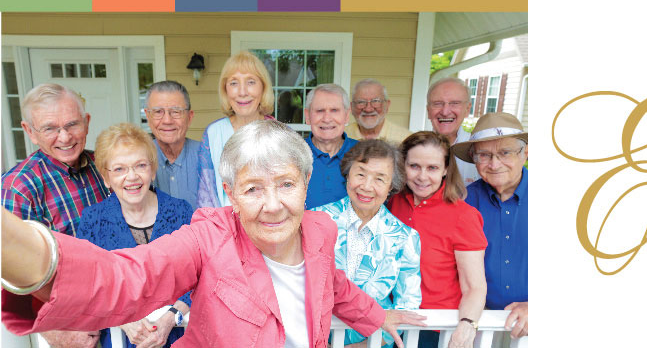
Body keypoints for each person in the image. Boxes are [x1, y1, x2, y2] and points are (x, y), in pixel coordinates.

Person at [1, 120, 426, 347]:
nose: (273, 204)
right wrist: (13, 245)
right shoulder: (208, 236)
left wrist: (376, 314)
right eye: (253, 189)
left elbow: (333, 283)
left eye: (286, 184)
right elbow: (124, 278)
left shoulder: (320, 229)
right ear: (230, 194)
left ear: (307, 181)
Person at [1, 83, 109, 347]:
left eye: (72, 124)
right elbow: (11, 273)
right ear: (30, 132)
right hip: (69, 322)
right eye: (50, 128)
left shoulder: (103, 165)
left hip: (118, 305)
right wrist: (54, 331)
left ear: (86, 122)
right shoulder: (19, 187)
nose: (65, 137)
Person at [75, 123, 193, 348]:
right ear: (106, 178)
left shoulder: (181, 212)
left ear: (153, 169)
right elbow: (86, 286)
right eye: (119, 169)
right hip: (124, 340)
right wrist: (122, 319)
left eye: (140, 165)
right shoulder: (93, 220)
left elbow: (201, 277)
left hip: (181, 335)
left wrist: (171, 318)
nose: (132, 177)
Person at [312, 139, 421, 347]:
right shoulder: (316, 220)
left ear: (392, 186)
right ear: (347, 175)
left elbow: (407, 307)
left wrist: (365, 346)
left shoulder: (406, 238)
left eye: (380, 179)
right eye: (360, 174)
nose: (367, 186)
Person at [388, 131, 487, 348]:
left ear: (445, 170)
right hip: (390, 324)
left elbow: (474, 286)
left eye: (432, 168)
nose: (422, 176)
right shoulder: (392, 203)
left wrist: (467, 325)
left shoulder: (464, 216)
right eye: (414, 166)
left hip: (433, 329)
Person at [453, 112, 529, 340]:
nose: (495, 164)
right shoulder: (463, 202)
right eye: (484, 155)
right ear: (474, 159)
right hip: (478, 324)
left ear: (525, 153)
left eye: (505, 153)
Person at [198, 51, 275, 208]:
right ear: (225, 90)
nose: (242, 92)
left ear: (263, 87)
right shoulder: (213, 133)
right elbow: (206, 194)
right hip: (223, 227)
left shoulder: (280, 134)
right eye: (234, 83)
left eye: (251, 82)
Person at [144, 80, 201, 210]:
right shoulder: (138, 160)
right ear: (148, 116)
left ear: (190, 117)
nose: (167, 120)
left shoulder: (207, 156)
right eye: (158, 112)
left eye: (176, 111)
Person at [304, 83, 359, 209]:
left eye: (334, 110)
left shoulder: (364, 154)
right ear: (307, 116)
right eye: (319, 111)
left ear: (346, 115)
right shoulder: (293, 154)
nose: (327, 119)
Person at [426, 77, 481, 185]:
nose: (445, 112)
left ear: (467, 109)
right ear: (428, 110)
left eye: (454, 103)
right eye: (438, 103)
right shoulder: (413, 150)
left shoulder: (480, 151)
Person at [345, 79, 411, 143]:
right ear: (352, 106)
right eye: (361, 102)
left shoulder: (405, 139)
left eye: (375, 101)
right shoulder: (340, 137)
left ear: (387, 105)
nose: (368, 109)